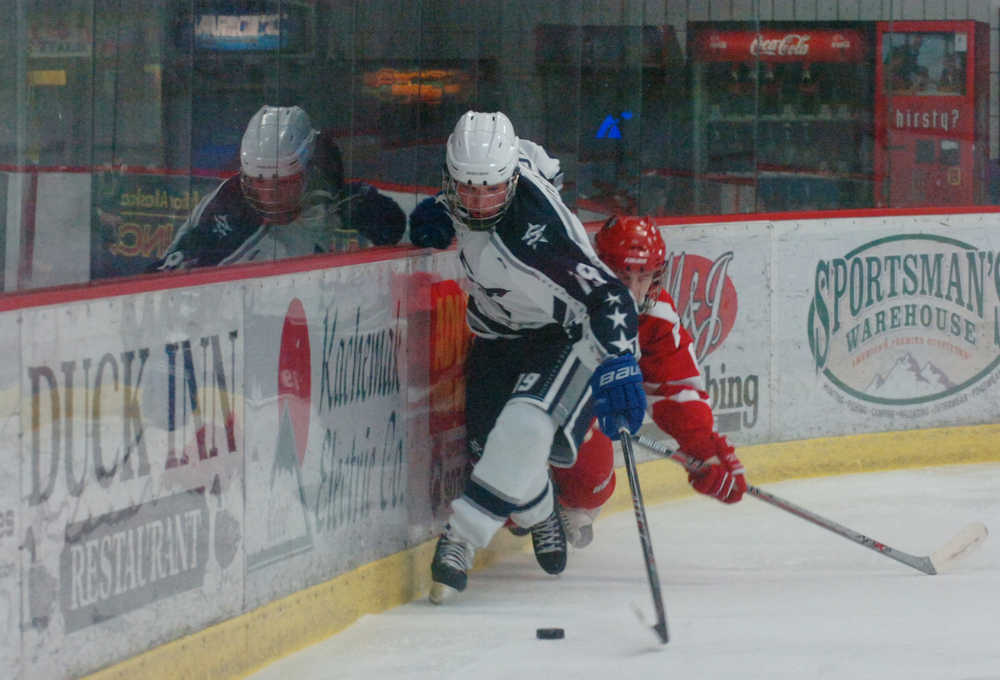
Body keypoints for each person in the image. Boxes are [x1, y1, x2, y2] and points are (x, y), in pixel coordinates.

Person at [421, 111, 647, 604]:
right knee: (490, 453)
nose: (480, 203)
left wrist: (620, 363)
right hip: (499, 335)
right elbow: (543, 160)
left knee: (524, 427)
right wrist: (439, 209)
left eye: (492, 191)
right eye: (467, 190)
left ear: (512, 181)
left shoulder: (534, 230)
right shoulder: (502, 162)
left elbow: (610, 296)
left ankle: (461, 539)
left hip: (565, 335)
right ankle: (541, 509)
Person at [552, 215, 748, 550]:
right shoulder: (565, 295)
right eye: (621, 276)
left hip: (587, 418)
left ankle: (564, 502)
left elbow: (677, 389)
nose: (632, 289)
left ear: (658, 275)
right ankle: (526, 502)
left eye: (643, 277)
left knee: (591, 481)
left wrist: (705, 450)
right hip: (540, 401)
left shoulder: (657, 315)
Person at [149, 105, 405, 271]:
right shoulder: (228, 210)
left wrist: (368, 212)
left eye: (283, 182)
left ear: (306, 172)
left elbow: (393, 226)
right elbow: (167, 278)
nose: (270, 194)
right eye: (260, 181)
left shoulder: (324, 194)